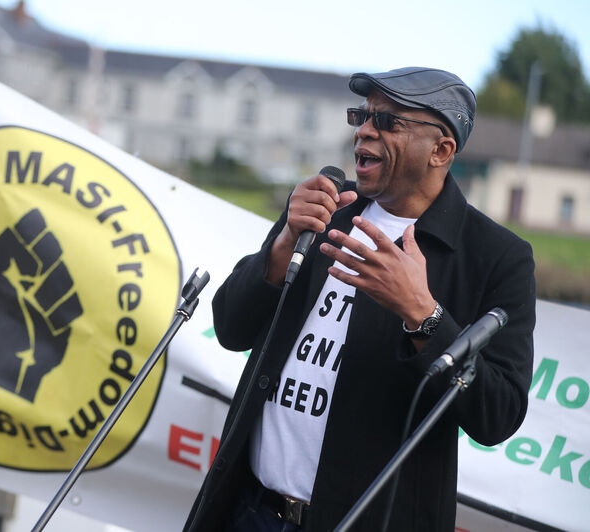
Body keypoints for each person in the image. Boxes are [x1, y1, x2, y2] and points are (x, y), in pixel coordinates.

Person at [184, 67, 536, 532]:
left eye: (388, 122)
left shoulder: (496, 257)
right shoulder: (325, 211)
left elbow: (498, 415)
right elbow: (230, 328)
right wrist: (283, 243)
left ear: (441, 150)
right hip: (250, 510)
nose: (364, 130)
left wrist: (422, 316)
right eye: (362, 116)